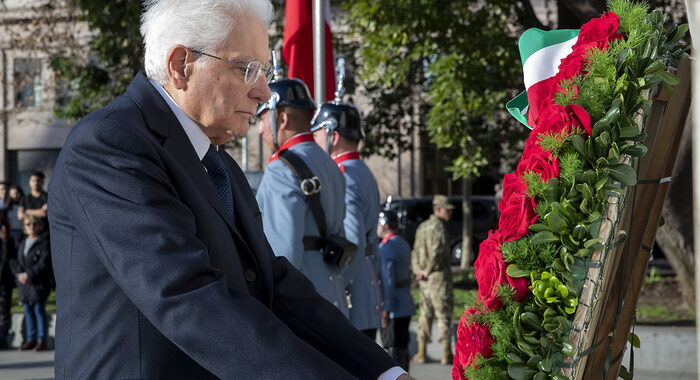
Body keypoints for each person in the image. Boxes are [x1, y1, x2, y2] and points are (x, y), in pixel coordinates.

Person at [48, 1, 411, 378]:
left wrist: (387, 373)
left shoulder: (218, 162)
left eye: (265, 71)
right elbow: (190, 298)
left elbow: (276, 286)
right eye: (247, 69)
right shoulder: (111, 145)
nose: (264, 91)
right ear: (180, 66)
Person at [255, 70, 350, 317]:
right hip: (333, 293)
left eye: (263, 119)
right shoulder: (330, 163)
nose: (260, 130)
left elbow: (283, 255)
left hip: (303, 303)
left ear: (282, 119)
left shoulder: (280, 169)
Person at [311, 79, 383, 339]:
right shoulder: (360, 171)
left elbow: (353, 242)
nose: (314, 139)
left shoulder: (344, 176)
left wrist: (335, 287)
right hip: (367, 290)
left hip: (352, 296)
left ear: (334, 135)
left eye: (317, 133)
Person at [411, 194, 455, 364]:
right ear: (438, 209)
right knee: (443, 314)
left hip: (424, 280)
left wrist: (418, 271)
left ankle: (421, 352)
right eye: (447, 210)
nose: (450, 213)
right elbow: (437, 252)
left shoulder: (422, 227)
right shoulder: (439, 228)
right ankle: (446, 353)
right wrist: (427, 270)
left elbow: (414, 252)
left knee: (425, 313)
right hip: (438, 277)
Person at [377, 209, 415, 371]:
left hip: (394, 306)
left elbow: (388, 280)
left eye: (379, 224)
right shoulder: (403, 242)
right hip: (405, 302)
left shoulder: (386, 247)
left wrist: (386, 307)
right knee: (402, 345)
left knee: (393, 349)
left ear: (385, 225)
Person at [11, 215, 51, 351]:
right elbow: (16, 260)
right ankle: (31, 339)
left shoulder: (43, 242)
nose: (31, 227)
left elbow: (44, 262)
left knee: (39, 310)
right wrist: (20, 274)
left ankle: (41, 339)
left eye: (34, 224)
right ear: (24, 227)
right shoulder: (22, 242)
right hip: (25, 284)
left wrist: (29, 274)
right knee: (28, 311)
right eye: (28, 224)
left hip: (37, 282)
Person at [0, 215, 13, 349]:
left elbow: (6, 260)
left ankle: (2, 339)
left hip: (4, 284)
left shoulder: (8, 242)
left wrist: (4, 242)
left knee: (4, 312)